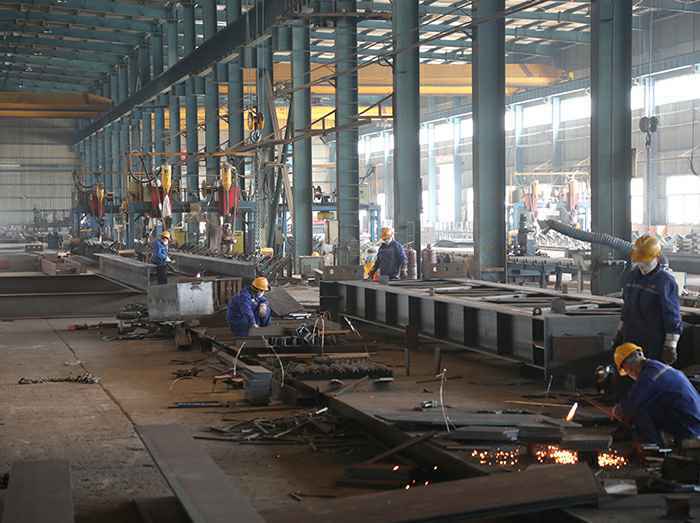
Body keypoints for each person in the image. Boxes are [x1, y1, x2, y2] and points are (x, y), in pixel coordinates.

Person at [612, 343, 700, 446]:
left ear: (627, 366)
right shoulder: (657, 367)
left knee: (639, 409)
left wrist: (618, 410)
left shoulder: (649, 376)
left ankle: (653, 448)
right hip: (693, 421)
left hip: (688, 426)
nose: (629, 374)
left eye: (626, 370)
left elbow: (632, 403)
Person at [616, 234, 682, 364]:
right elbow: (627, 308)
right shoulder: (632, 277)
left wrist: (670, 345)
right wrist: (619, 332)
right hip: (630, 338)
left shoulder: (665, 281)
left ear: (657, 257)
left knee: (649, 373)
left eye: (645, 261)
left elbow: (672, 315)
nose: (642, 265)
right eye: (639, 260)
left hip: (653, 342)